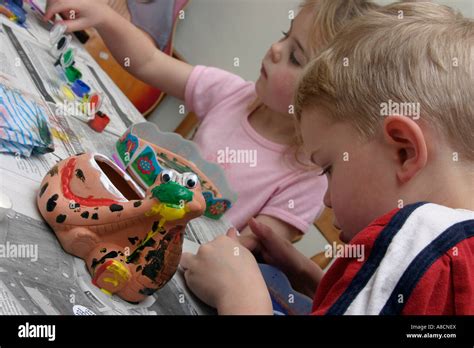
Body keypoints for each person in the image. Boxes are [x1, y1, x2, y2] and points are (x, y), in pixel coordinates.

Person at [179, 1, 474, 315]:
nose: (328, 200)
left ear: (405, 151)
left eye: (329, 168)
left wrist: (240, 295)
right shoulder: (453, 255)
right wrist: (314, 282)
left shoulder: (424, 244)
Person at [44, 0, 378, 247]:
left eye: (295, 57)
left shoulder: (307, 182)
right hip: (122, 215)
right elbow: (146, 61)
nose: (275, 49)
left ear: (327, 103)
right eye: (283, 36)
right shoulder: (233, 93)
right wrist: (103, 17)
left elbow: (241, 253)